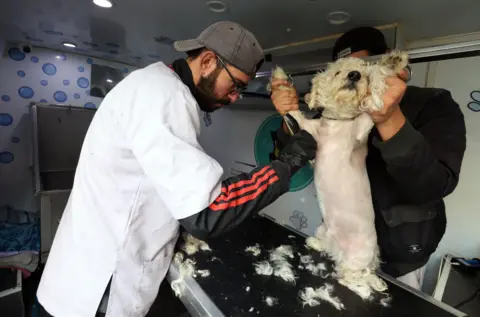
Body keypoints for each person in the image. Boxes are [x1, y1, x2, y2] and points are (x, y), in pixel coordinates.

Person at [37, 21, 317, 317]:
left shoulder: (150, 82)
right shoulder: (166, 96)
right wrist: (285, 165)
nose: (235, 97)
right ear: (208, 61)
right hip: (101, 291)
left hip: (82, 274)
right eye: (235, 85)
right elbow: (210, 212)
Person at [270, 26, 466, 291]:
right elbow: (296, 152)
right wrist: (288, 117)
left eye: (363, 66)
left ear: (383, 65)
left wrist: (389, 118)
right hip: (337, 245)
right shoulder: (334, 114)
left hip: (401, 257)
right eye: (342, 68)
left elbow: (435, 185)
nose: (352, 75)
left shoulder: (433, 103)